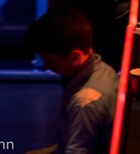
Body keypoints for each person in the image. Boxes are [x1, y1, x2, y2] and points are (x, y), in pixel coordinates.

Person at [26, 8, 117, 154]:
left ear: (74, 56)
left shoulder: (85, 103)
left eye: (51, 61)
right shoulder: (105, 70)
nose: (46, 67)